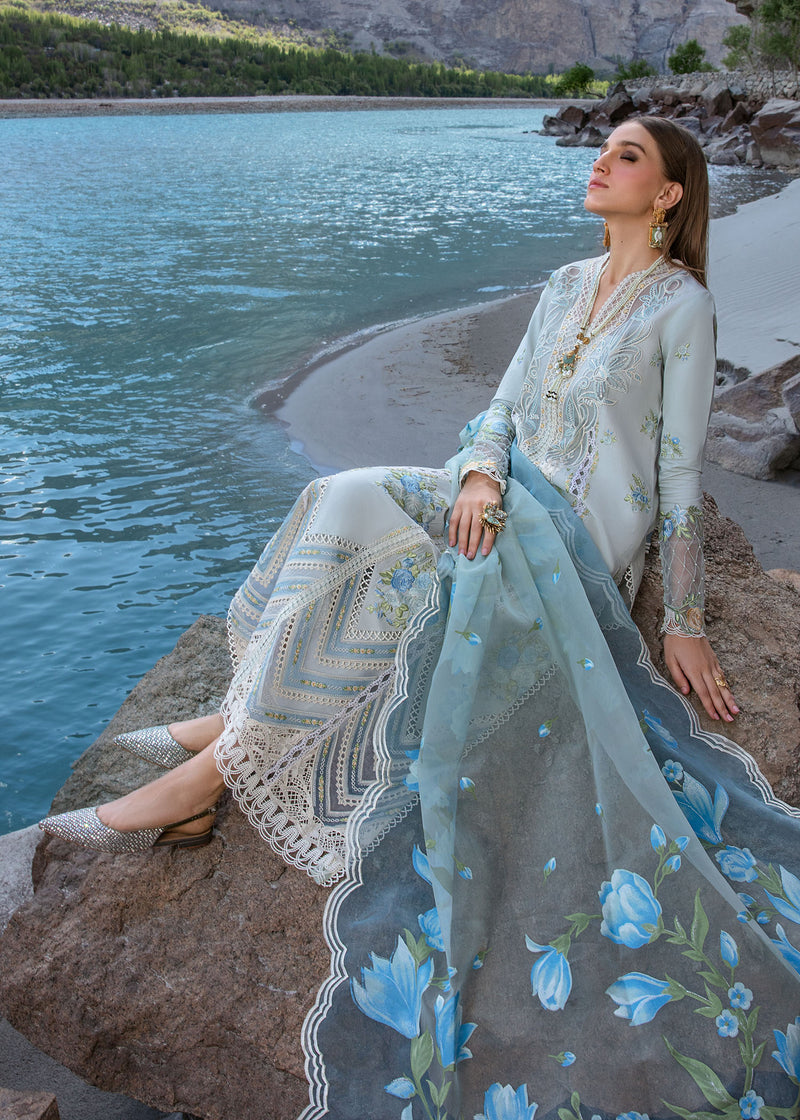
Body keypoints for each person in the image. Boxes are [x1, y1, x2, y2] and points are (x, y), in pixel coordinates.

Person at [40, 118, 800, 1120]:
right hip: (499, 491)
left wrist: (685, 616)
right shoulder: (565, 283)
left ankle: (208, 770)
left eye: (625, 156)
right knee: (341, 498)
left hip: (579, 531)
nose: (600, 161)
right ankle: (239, 719)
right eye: (603, 148)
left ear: (666, 195)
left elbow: (678, 473)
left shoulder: (683, 305)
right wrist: (480, 475)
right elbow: (501, 407)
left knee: (430, 586)